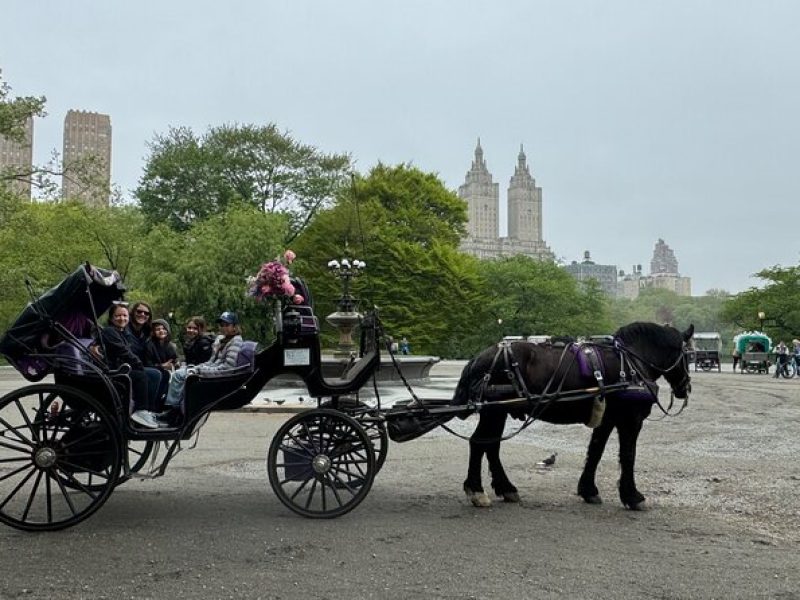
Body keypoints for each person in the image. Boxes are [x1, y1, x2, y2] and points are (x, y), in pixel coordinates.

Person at [161, 311, 244, 422]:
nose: (223, 328)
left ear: (234, 327)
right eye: (222, 325)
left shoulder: (235, 342)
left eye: (227, 325)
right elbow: (211, 361)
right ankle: (174, 410)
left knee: (181, 376)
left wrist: (201, 370)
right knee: (181, 374)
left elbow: (227, 369)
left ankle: (174, 411)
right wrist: (198, 368)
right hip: (211, 371)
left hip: (220, 379)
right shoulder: (222, 339)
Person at [98, 302, 161, 428]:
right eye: (118, 316)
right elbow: (124, 352)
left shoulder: (122, 332)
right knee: (140, 375)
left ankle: (150, 410)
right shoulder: (110, 331)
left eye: (125, 316)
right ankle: (140, 410)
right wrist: (138, 364)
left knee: (155, 374)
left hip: (123, 366)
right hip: (114, 369)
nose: (122, 318)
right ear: (111, 318)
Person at [125, 301, 163, 406]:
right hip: (129, 366)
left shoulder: (146, 332)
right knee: (155, 374)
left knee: (164, 373)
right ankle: (145, 410)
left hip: (141, 364)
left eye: (146, 313)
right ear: (133, 312)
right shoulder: (125, 327)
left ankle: (158, 408)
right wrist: (95, 344)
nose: (143, 315)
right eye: (139, 311)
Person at [145, 318, 179, 405]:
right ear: (153, 332)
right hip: (154, 372)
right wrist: (161, 366)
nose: (161, 331)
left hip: (168, 372)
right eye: (158, 329)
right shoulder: (149, 345)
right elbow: (147, 363)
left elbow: (174, 359)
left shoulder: (170, 345)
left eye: (164, 329)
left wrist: (175, 364)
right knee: (164, 375)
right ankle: (154, 404)